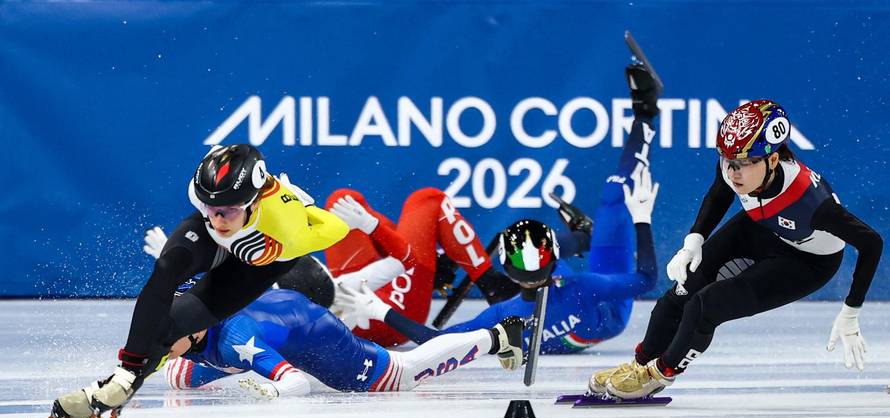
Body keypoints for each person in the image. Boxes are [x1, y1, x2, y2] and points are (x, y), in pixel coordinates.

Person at [334, 63, 662, 354]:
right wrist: (643, 221)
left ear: (505, 268)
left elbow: (437, 341)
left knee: (537, 242)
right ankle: (645, 115)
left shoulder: (502, 315)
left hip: (558, 308)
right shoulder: (583, 288)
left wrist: (379, 311)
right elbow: (646, 280)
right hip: (605, 314)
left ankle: (582, 237)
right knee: (614, 192)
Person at [592, 99, 883, 399]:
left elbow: (872, 243)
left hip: (806, 263)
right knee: (680, 292)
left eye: (745, 163)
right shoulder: (735, 164)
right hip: (761, 228)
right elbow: (720, 192)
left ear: (772, 160)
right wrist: (695, 239)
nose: (734, 172)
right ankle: (638, 365)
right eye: (728, 161)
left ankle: (659, 374)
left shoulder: (812, 203)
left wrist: (851, 310)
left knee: (705, 305)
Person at [50, 144, 350, 418]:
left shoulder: (287, 230)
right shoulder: (206, 195)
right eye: (210, 207)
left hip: (261, 259)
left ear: (255, 202)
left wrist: (305, 209)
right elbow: (222, 183)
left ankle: (121, 385)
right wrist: (216, 217)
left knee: (174, 325)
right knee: (165, 273)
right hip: (218, 241)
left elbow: (338, 228)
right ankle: (123, 379)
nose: (218, 218)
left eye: (229, 209)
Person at [160, 288, 525, 395]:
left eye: (168, 333)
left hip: (317, 335)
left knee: (401, 375)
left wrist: (271, 392)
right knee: (179, 376)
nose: (159, 338)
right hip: (284, 310)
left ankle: (495, 336)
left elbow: (296, 382)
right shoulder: (199, 317)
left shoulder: (236, 340)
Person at [323, 187, 520, 347]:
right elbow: (405, 260)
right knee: (428, 199)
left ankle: (427, 260)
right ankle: (491, 283)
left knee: (343, 201)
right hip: (387, 316)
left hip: (346, 306)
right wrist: (372, 226)